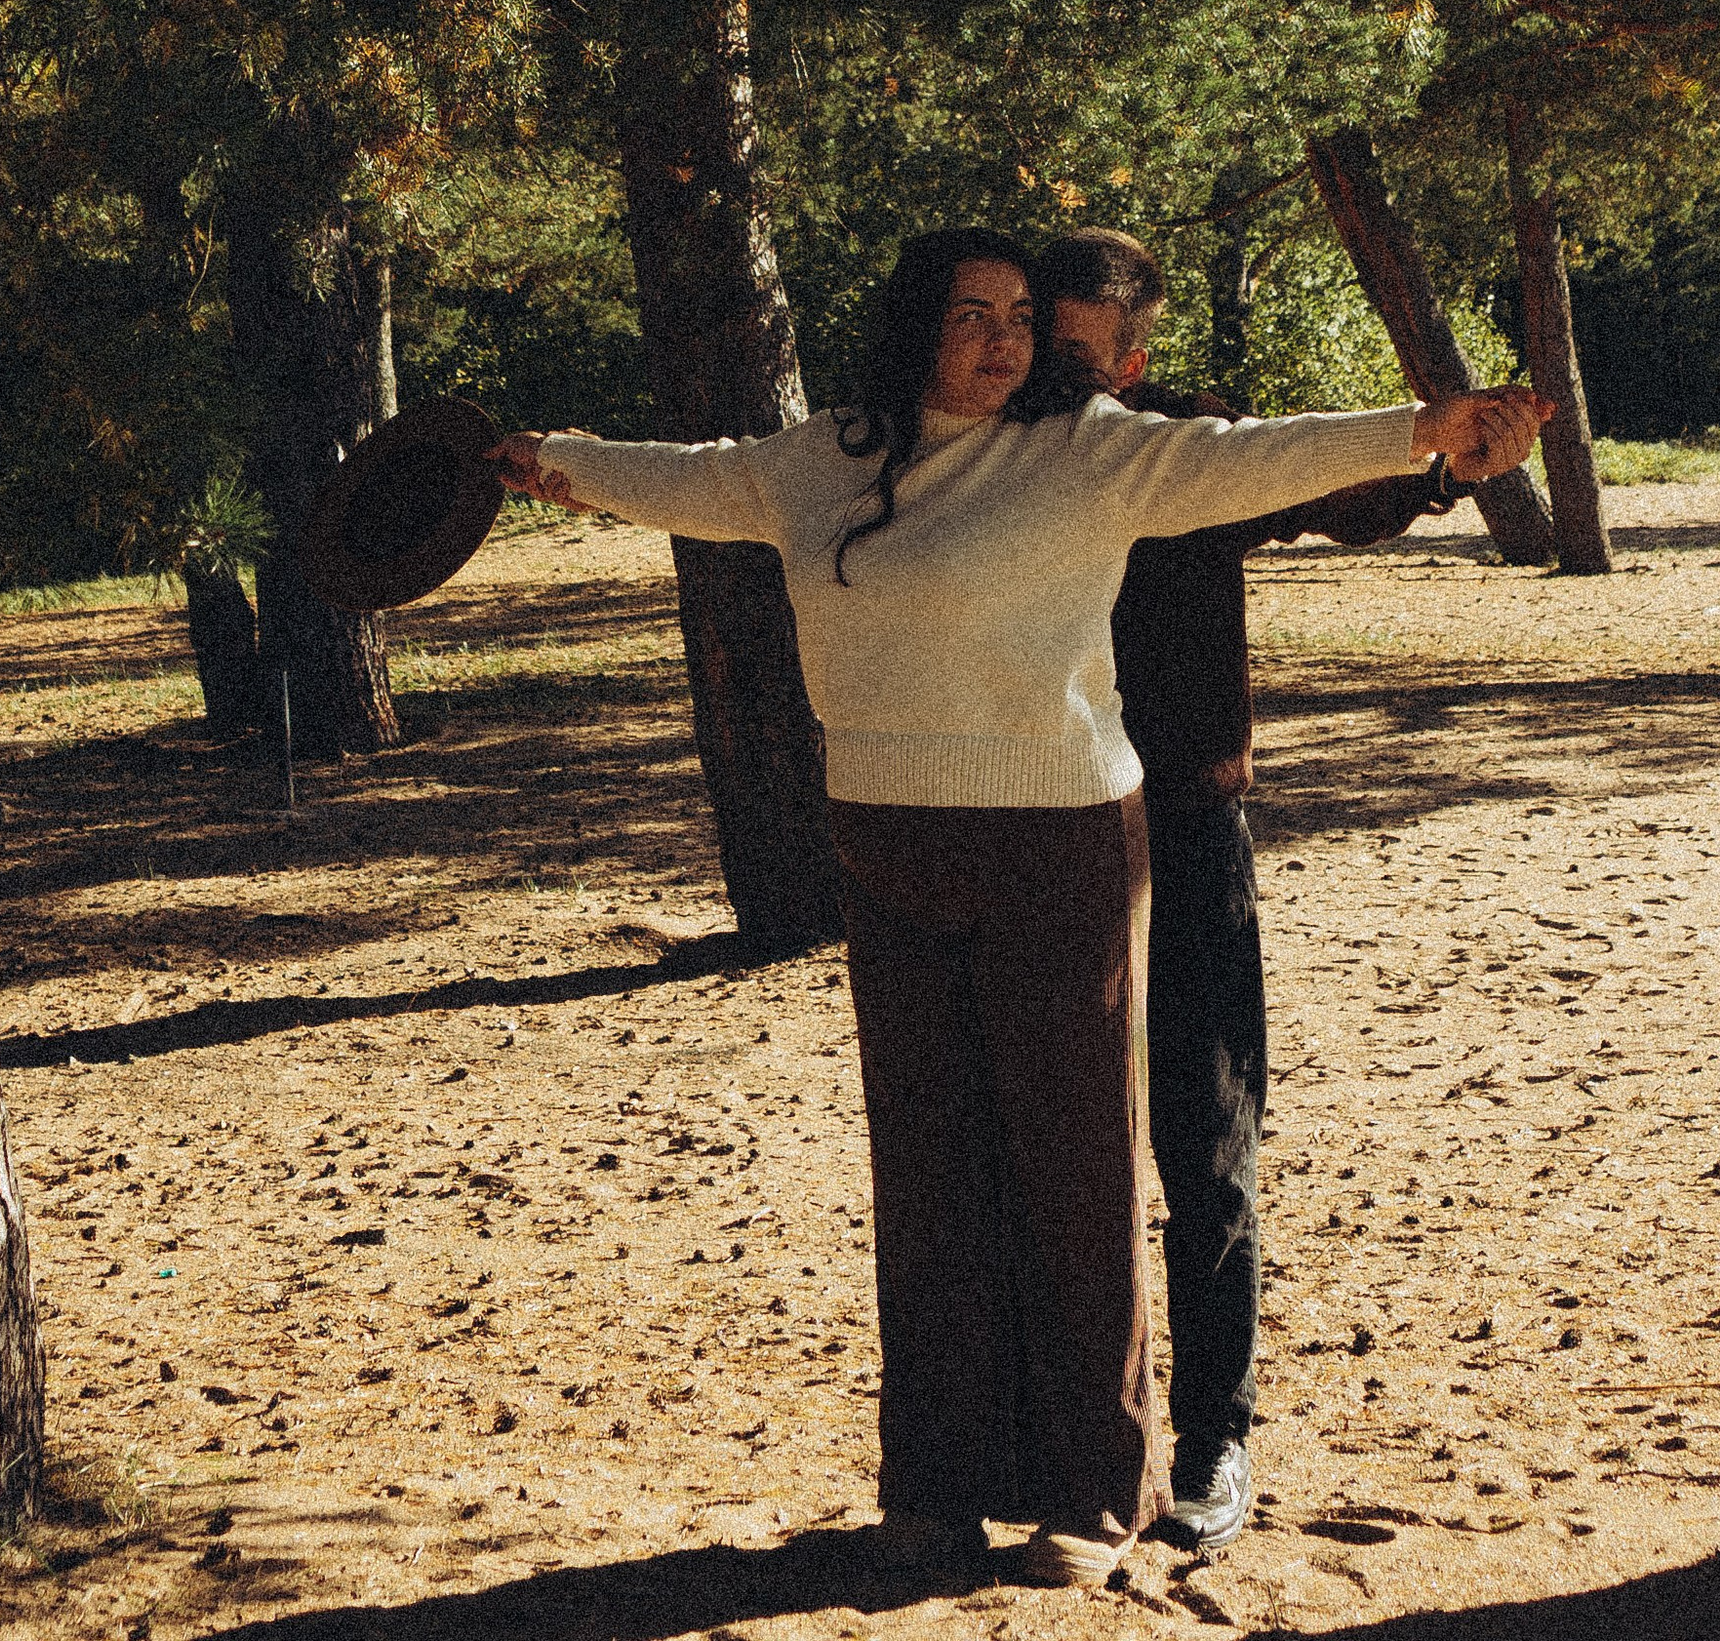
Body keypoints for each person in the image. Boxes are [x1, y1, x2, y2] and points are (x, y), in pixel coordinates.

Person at [494, 228, 1547, 1590]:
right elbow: (688, 479)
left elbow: (1258, 458)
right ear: (912, 327)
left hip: (1059, 839)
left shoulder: (1088, 450)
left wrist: (1424, 432)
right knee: (928, 1177)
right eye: (969, 315)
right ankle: (933, 1490)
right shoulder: (820, 459)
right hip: (884, 840)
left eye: (1015, 318)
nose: (1001, 342)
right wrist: (550, 460)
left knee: (1075, 1172)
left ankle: (1098, 1492)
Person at [1033, 228, 1457, 1559]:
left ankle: (1216, 1435)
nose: (1046, 374)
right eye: (1036, 340)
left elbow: (1325, 482)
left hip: (1186, 828)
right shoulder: (970, 455)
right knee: (1052, 1150)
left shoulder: (1183, 448)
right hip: (1036, 827)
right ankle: (1073, 1441)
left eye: (1078, 354)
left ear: (1131, 361)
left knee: (1204, 1140)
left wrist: (1435, 463)